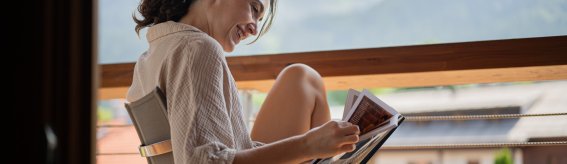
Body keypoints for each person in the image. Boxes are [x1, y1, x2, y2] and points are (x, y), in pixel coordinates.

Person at [126, 0, 360, 163]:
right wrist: (308, 145)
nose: (254, 29)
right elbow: (205, 161)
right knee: (303, 77)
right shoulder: (197, 48)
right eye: (253, 7)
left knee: (301, 76)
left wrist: (311, 146)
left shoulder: (151, 56)